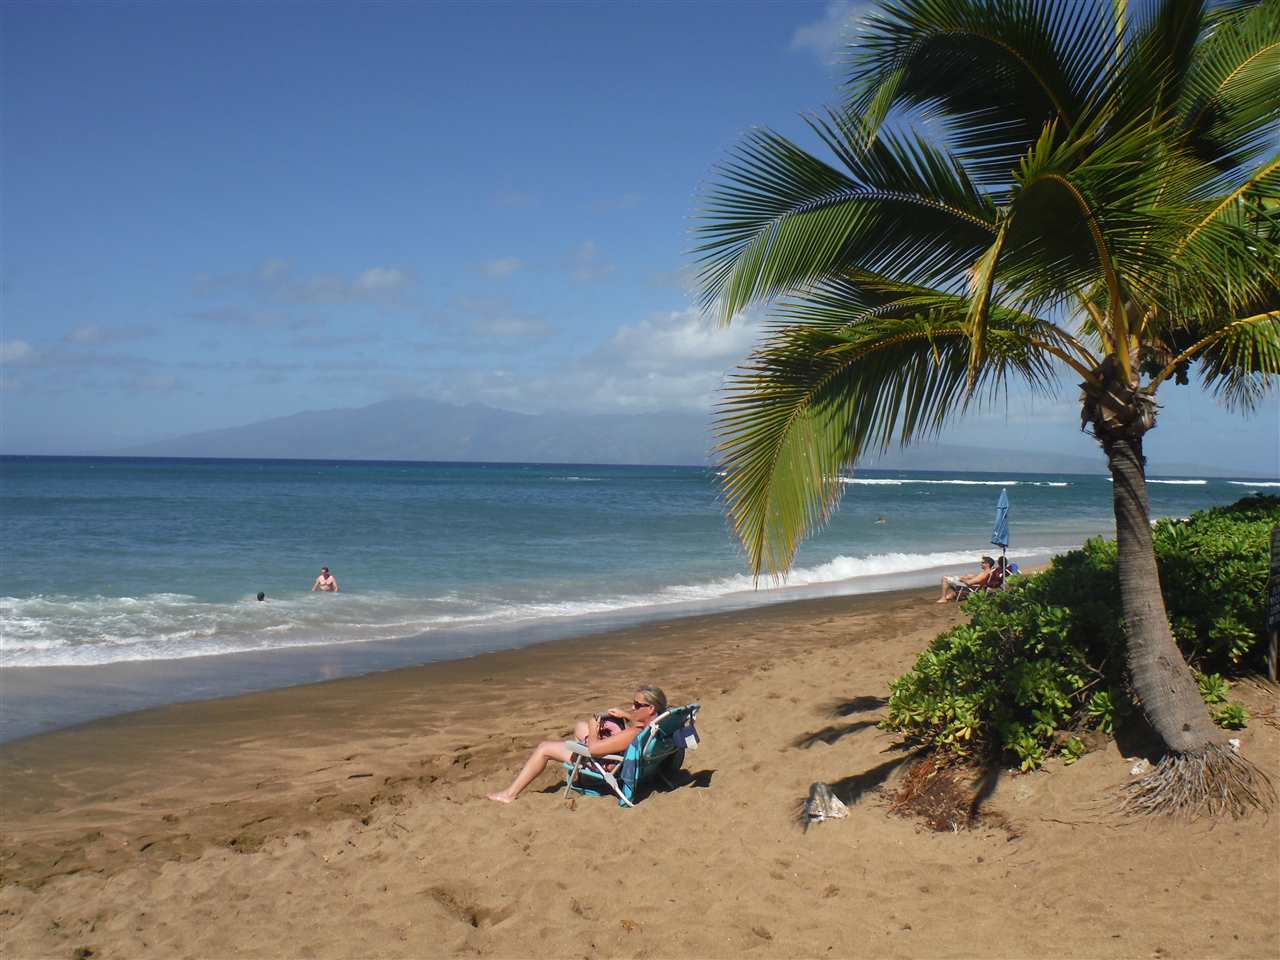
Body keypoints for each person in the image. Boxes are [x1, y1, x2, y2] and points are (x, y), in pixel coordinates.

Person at [486, 685, 668, 803]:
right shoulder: (659, 724)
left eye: (637, 705)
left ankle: (509, 794)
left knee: (544, 748)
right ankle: (579, 765)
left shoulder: (633, 733)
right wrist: (627, 716)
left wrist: (594, 728)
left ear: (650, 708)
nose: (632, 708)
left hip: (609, 764)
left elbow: (595, 750)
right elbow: (639, 725)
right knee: (580, 727)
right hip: (631, 758)